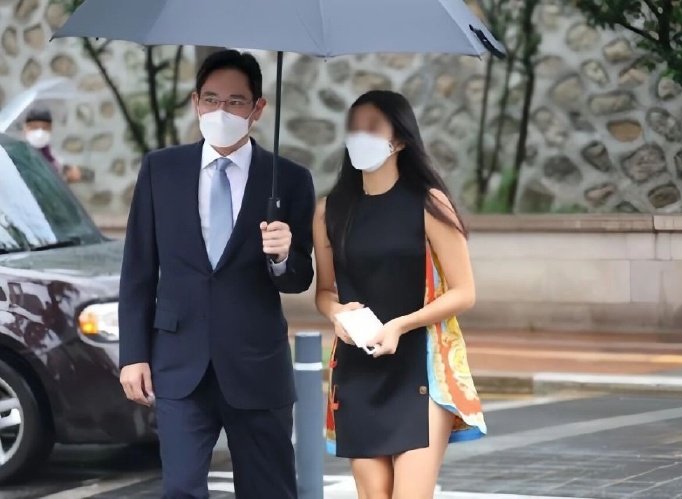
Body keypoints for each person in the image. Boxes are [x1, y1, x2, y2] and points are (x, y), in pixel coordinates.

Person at [118, 49, 315, 499]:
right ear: (195, 102)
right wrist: (133, 355)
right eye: (211, 99)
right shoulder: (161, 170)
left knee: (269, 491)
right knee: (181, 489)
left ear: (258, 109)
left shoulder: (287, 179)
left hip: (256, 366)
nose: (220, 111)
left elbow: (299, 277)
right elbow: (139, 270)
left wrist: (282, 256)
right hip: (178, 363)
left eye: (235, 102)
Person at [314, 90, 488, 499]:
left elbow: (464, 292)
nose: (360, 135)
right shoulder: (328, 211)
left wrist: (400, 325)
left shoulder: (428, 203)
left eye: (373, 127)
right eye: (354, 126)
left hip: (419, 366)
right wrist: (335, 312)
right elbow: (323, 291)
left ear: (401, 139)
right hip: (357, 369)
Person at [23, 108, 82, 183]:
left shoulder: (49, 153)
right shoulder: (18, 152)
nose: (40, 132)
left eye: (44, 128)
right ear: (25, 128)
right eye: (35, 127)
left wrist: (68, 174)